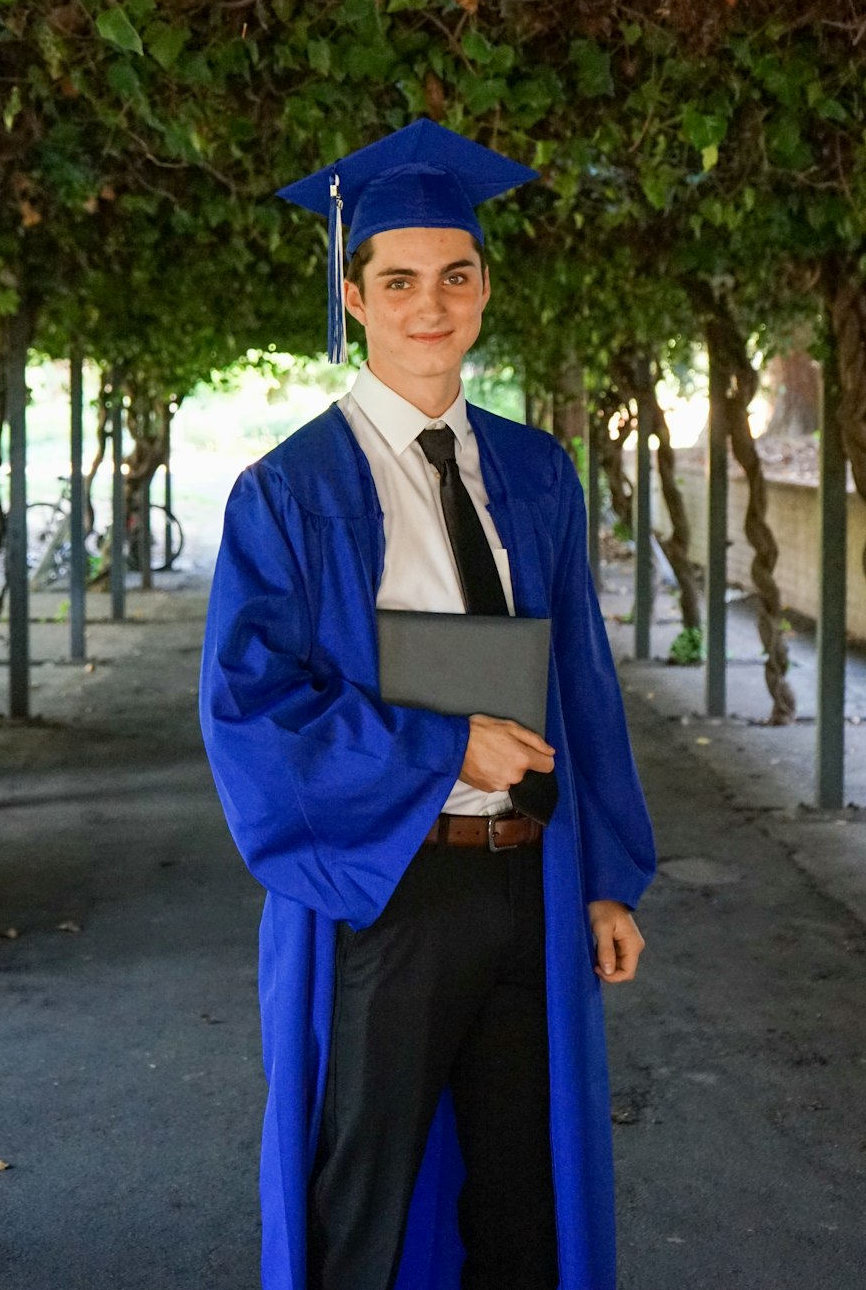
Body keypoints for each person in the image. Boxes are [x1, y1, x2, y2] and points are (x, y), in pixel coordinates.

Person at [200, 119, 656, 1290]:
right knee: (367, 1197)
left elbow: (580, 685)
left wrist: (604, 873)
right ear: (354, 296)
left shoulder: (534, 470)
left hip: (530, 877)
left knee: (521, 1199)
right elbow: (251, 710)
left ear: (484, 287)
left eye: (454, 275)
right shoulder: (290, 490)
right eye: (397, 280)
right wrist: (441, 743)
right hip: (387, 886)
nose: (428, 305)